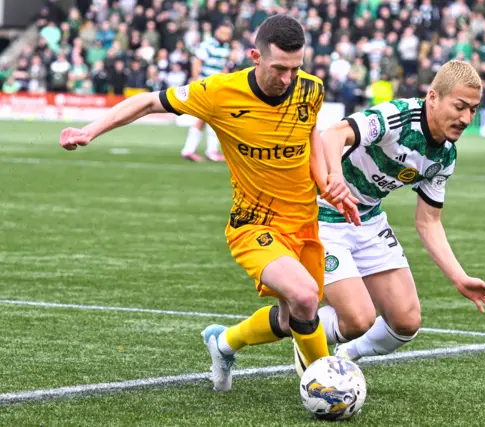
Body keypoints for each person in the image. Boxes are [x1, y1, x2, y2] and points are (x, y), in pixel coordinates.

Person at [59, 14, 359, 392]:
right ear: (255, 56)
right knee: (303, 297)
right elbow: (149, 103)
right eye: (278, 68)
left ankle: (223, 342)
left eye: (294, 69)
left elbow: (310, 134)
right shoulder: (219, 92)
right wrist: (90, 131)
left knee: (292, 318)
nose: (286, 79)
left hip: (304, 223)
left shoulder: (309, 89)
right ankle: (327, 384)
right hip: (255, 224)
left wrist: (328, 177)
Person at [294, 60, 485, 371]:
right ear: (433, 97)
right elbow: (332, 135)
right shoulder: (399, 116)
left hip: (367, 218)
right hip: (322, 215)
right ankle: (287, 337)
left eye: (473, 109)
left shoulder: (445, 156)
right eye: (460, 106)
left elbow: (428, 222)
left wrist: (459, 278)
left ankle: (346, 356)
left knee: (406, 321)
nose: (466, 118)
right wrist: (334, 177)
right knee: (357, 318)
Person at [181, 22, 233, 162]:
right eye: (223, 33)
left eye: (227, 34)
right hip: (205, 85)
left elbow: (223, 68)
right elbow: (197, 62)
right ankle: (192, 150)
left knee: (212, 118)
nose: (225, 36)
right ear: (217, 32)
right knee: (204, 117)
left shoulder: (226, 48)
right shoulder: (207, 44)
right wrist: (195, 79)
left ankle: (206, 150)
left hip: (217, 87)